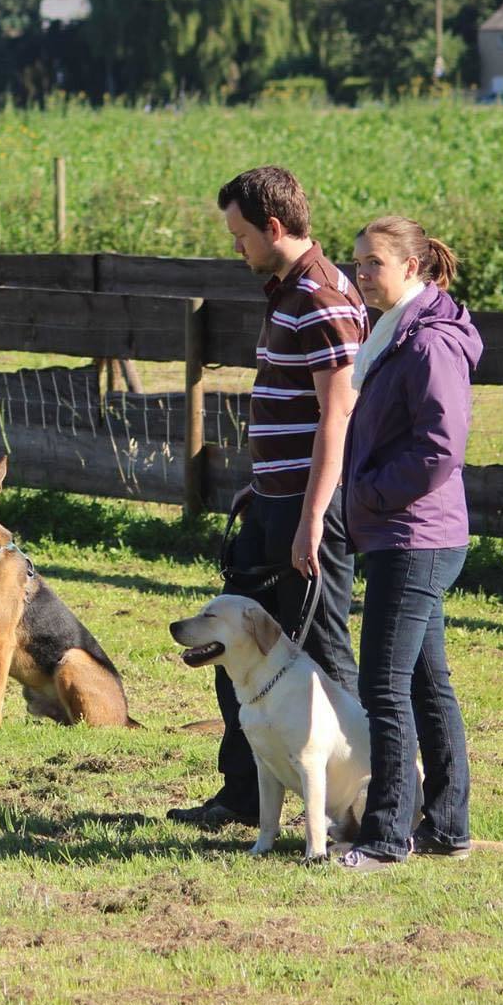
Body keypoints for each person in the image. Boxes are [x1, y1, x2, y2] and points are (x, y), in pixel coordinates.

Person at [169, 165, 364, 830]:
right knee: (235, 643)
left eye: (241, 234)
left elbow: (338, 415)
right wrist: (264, 482)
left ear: (274, 228)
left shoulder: (324, 296)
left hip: (309, 510)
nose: (237, 247)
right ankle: (244, 794)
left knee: (325, 654)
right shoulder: (288, 291)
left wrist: (310, 517)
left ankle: (366, 801)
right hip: (273, 500)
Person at [336, 216, 482, 871]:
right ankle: (447, 827)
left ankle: (386, 837)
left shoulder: (428, 344)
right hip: (405, 529)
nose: (361, 273)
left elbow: (440, 446)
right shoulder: (396, 333)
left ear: (412, 268)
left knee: (383, 684)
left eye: (373, 263)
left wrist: (367, 494)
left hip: (415, 533)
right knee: (425, 679)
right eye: (357, 262)